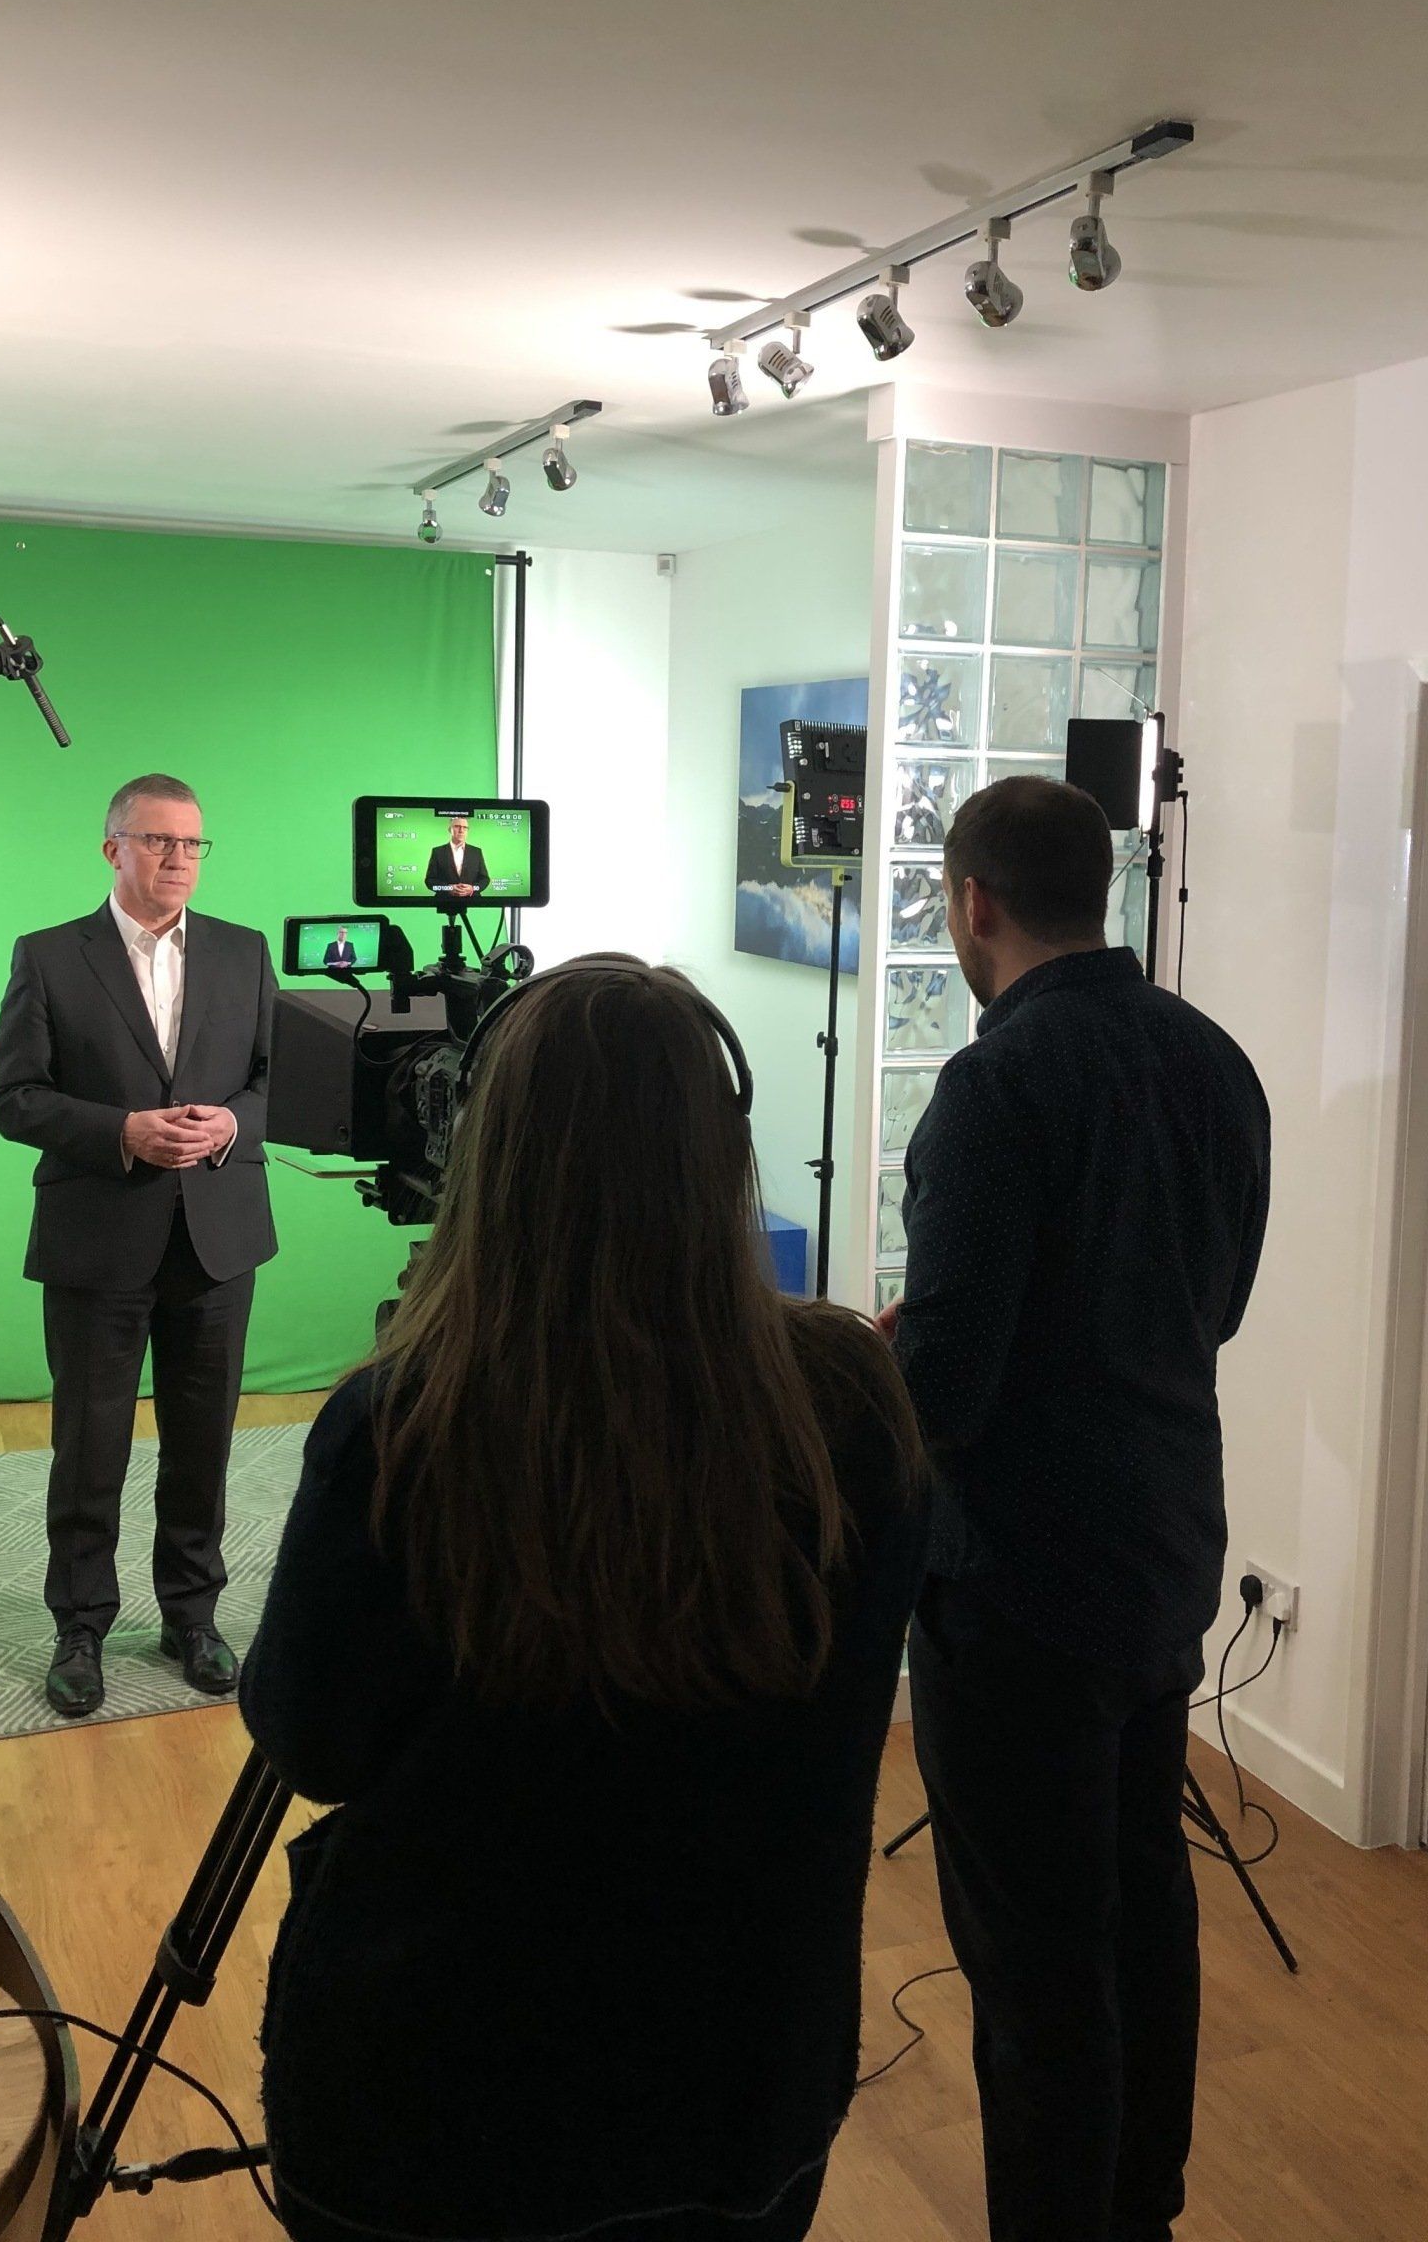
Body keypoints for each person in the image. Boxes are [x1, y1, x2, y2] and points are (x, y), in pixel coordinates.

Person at [241, 956, 928, 2242]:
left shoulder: (403, 1424)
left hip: (427, 2119)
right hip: (742, 2095)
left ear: (489, 1152)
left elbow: (309, 1741)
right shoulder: (849, 1408)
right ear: (725, 1148)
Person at [882, 775, 1269, 2242]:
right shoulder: (1214, 1058)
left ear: (972, 903)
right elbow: (1212, 1303)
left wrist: (891, 1361)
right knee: (1142, 1906)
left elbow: (950, 1391)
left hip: (1021, 1584)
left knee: (1036, 1965)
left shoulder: (996, 1084)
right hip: (1166, 1551)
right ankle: (1141, 2213)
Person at [0, 773, 277, 1719]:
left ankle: (192, 1615)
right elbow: (13, 1097)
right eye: (158, 842)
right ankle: (80, 1627)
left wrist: (228, 1127)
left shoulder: (244, 952)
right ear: (112, 847)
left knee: (203, 1443)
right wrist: (123, 1132)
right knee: (90, 1447)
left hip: (218, 1240)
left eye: (192, 845)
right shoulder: (49, 956)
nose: (178, 860)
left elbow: (276, 1085)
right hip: (97, 1241)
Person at [423, 812, 489, 899]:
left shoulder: (476, 852)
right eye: (457, 826)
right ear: (450, 829)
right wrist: (448, 888)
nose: (461, 830)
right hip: (444, 901)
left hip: (473, 902)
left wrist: (473, 888)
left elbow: (484, 879)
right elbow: (430, 881)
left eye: (465, 827)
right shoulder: (438, 852)